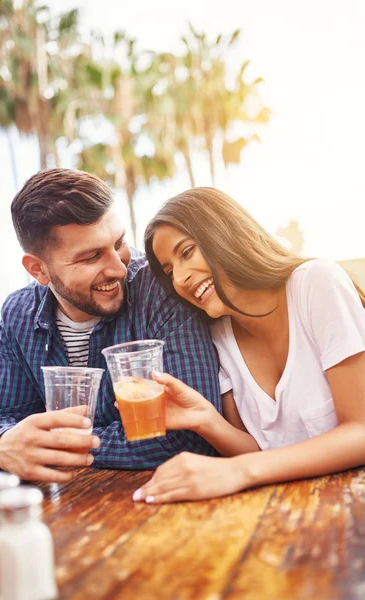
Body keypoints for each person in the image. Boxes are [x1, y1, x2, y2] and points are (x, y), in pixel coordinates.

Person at [0, 171, 221, 483]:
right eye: (91, 257)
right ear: (38, 269)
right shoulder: (18, 314)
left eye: (119, 243)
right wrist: (2, 446)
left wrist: (59, 448)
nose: (119, 268)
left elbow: (191, 437)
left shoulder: (159, 288)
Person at [132, 187, 365, 504]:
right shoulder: (218, 335)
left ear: (224, 234)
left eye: (186, 252)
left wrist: (238, 471)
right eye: (170, 271)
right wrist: (205, 419)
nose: (181, 278)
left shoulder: (316, 283)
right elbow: (258, 453)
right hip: (288, 513)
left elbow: (360, 431)